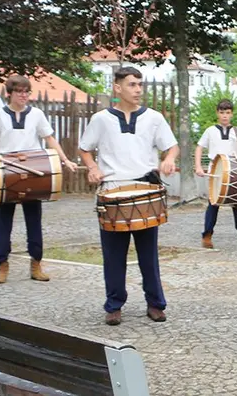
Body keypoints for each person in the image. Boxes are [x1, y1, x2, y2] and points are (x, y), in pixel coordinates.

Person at [79, 67, 178, 325]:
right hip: (112, 192)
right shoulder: (101, 119)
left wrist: (168, 159)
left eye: (139, 85)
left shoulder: (154, 118)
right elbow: (85, 149)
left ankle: (155, 303)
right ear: (117, 87)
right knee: (113, 256)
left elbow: (172, 146)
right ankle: (114, 305)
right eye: (132, 85)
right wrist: (92, 167)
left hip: (145, 192)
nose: (137, 90)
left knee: (148, 255)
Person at [0, 75, 77, 284]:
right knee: (2, 221)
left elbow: (50, 138)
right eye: (19, 91)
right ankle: (2, 265)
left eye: (26, 91)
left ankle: (36, 264)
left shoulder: (36, 114)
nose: (23, 95)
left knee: (34, 221)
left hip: (33, 170)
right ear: (9, 93)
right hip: (5, 171)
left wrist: (65, 160)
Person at [194, 99, 237, 249]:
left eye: (227, 113)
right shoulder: (210, 131)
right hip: (216, 172)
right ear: (217, 113)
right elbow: (199, 148)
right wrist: (198, 166)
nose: (225, 116)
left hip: (235, 171)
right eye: (222, 113)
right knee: (213, 204)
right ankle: (207, 235)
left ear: (231, 114)